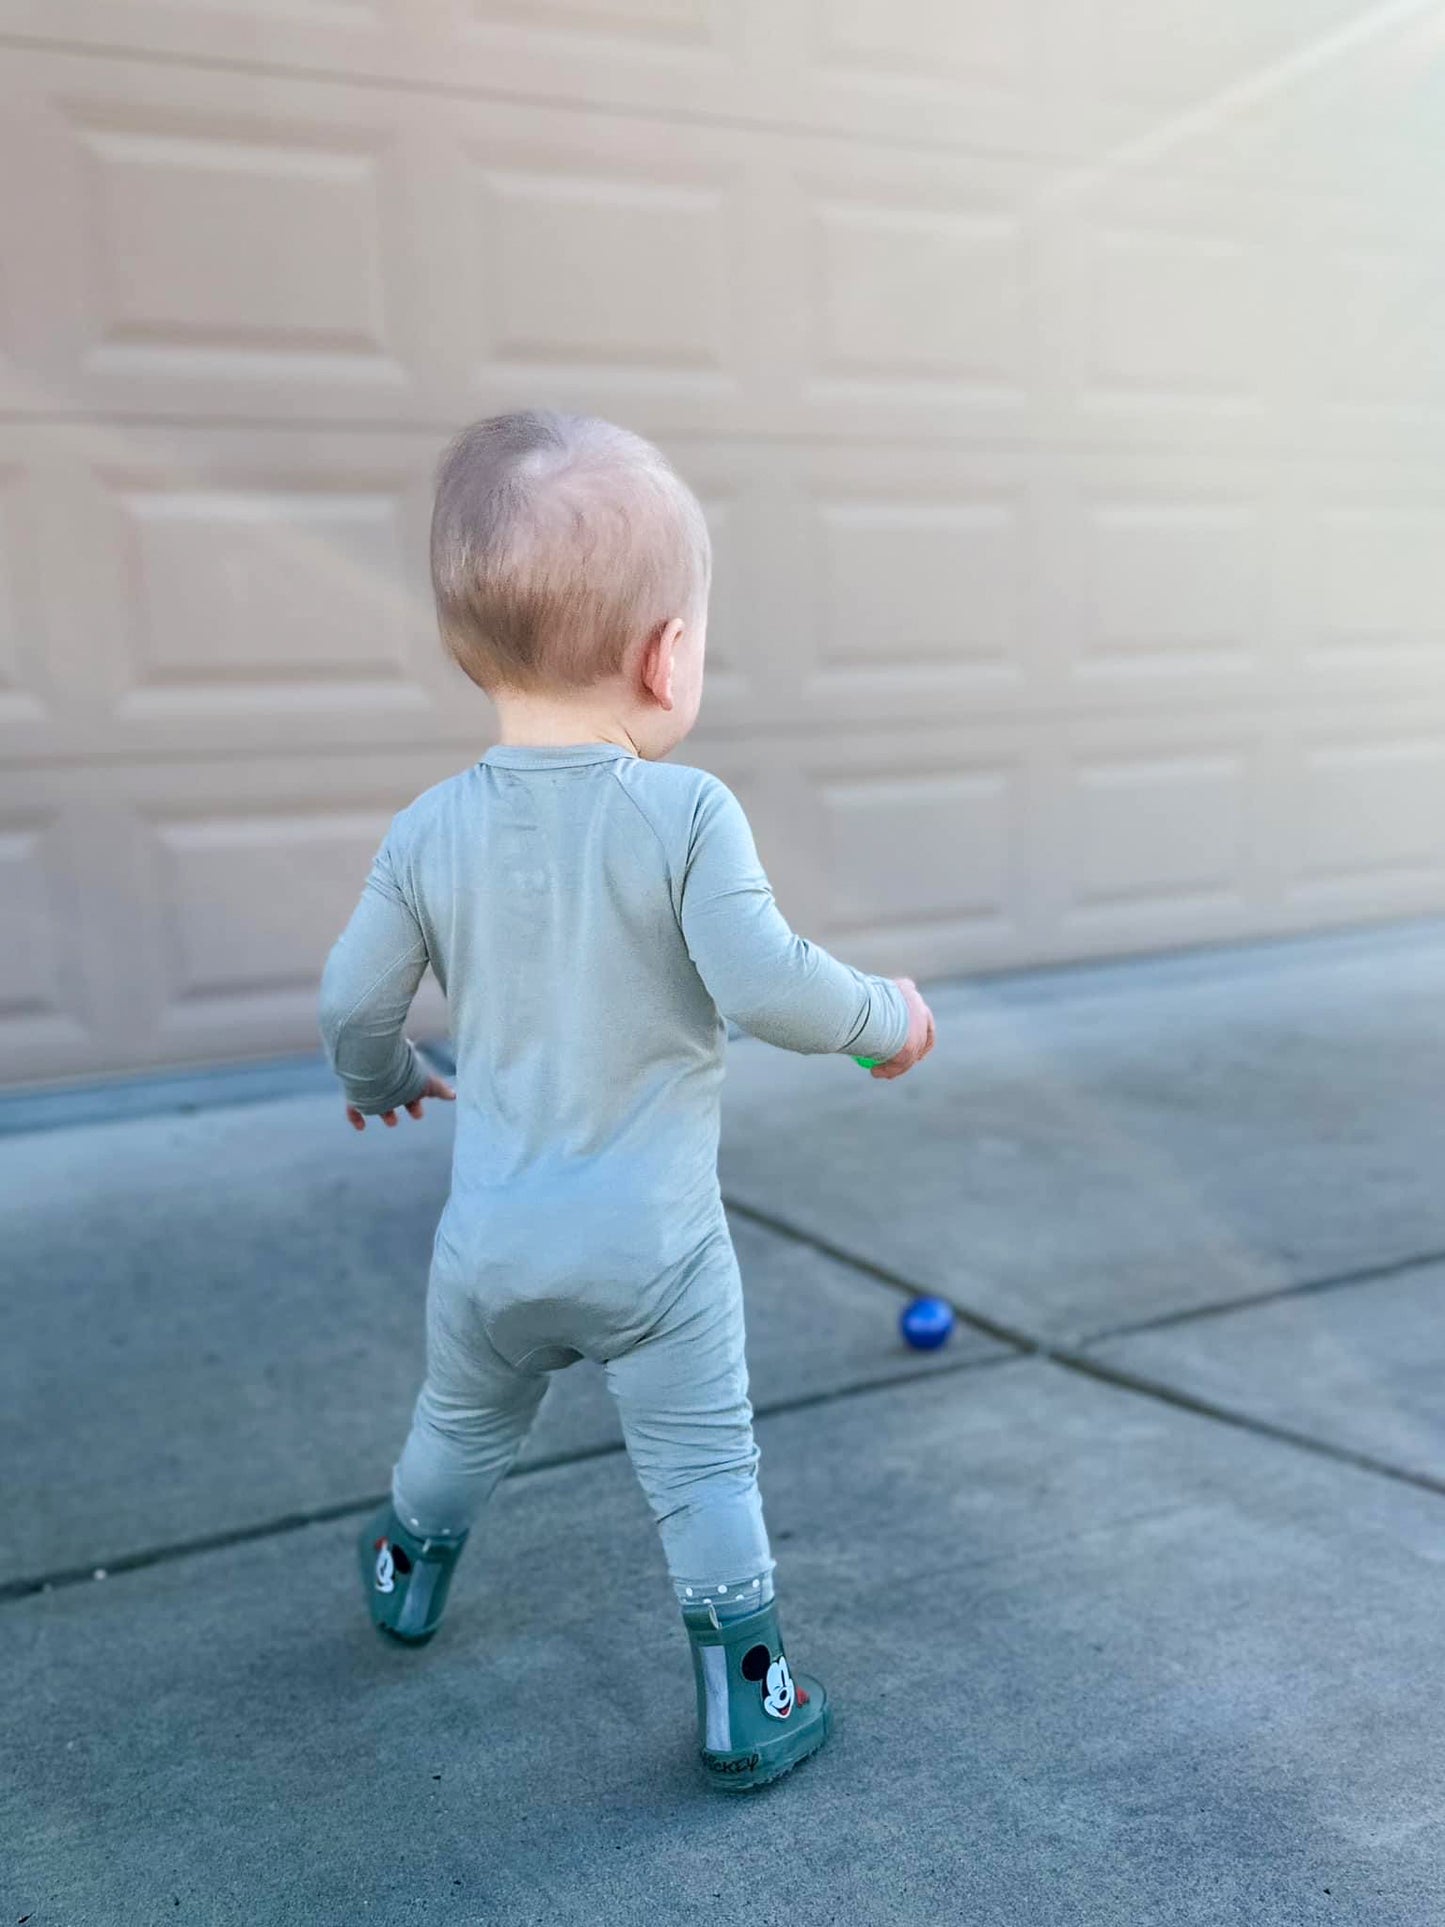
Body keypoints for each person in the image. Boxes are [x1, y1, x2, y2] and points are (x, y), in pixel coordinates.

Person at [320, 410, 936, 1791]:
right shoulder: (687, 815)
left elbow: (351, 1005)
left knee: (459, 1422)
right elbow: (767, 983)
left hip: (489, 1249)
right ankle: (747, 1693)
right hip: (651, 1256)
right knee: (704, 1468)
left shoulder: (426, 832)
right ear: (668, 655)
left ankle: (404, 1564)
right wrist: (880, 1022)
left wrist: (381, 1079)